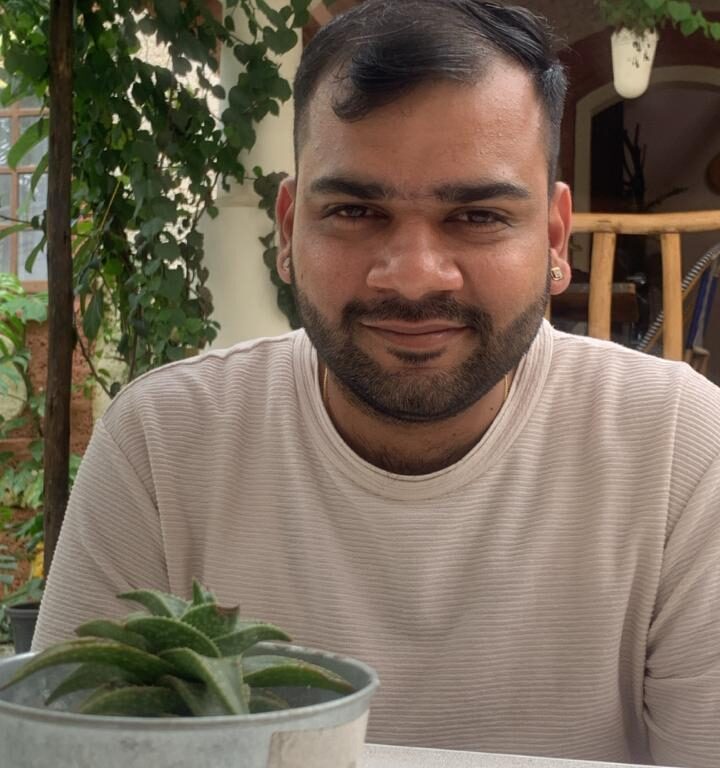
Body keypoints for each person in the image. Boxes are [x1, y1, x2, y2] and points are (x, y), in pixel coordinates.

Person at [34, 1, 720, 765]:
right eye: (356, 210)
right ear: (289, 228)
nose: (414, 276)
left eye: (478, 216)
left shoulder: (680, 450)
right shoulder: (163, 446)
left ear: (555, 239)